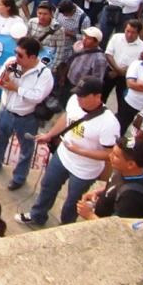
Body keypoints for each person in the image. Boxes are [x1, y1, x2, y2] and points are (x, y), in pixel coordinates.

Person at [16, 76, 120, 227]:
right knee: (47, 186)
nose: (79, 98)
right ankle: (37, 215)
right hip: (63, 157)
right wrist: (50, 134)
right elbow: (66, 118)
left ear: (97, 96)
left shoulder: (109, 123)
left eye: (83, 96)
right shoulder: (73, 101)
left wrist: (79, 151)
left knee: (73, 201)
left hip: (84, 170)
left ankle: (66, 226)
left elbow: (109, 154)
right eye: (78, 94)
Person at [0, 36, 54, 190]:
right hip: (5, 111)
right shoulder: (12, 62)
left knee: (26, 149)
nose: (16, 57)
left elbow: (37, 96)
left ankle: (19, 177)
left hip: (26, 118)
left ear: (32, 57)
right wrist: (6, 74)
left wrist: (15, 88)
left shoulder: (44, 74)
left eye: (20, 55)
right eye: (16, 53)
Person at [76, 138, 143, 221]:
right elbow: (117, 185)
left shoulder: (131, 198)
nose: (110, 156)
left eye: (115, 155)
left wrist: (89, 215)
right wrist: (99, 192)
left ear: (130, 164)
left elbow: (119, 228)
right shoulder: (129, 171)